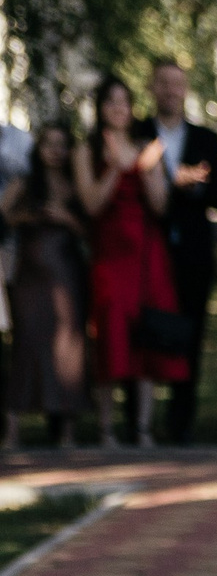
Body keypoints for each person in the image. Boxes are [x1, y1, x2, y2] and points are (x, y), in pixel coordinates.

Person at [70, 77, 186, 446]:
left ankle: (143, 428)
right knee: (109, 334)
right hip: (110, 257)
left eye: (125, 102)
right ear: (100, 108)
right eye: (111, 102)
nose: (119, 108)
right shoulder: (85, 151)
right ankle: (106, 429)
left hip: (146, 256)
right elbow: (91, 205)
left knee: (146, 335)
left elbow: (160, 206)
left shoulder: (145, 147)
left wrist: (148, 169)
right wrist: (118, 168)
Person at [144, 59, 217, 444]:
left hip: (193, 250)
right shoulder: (137, 132)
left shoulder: (206, 139)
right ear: (152, 87)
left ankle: (181, 422)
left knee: (190, 335)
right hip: (147, 246)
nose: (171, 91)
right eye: (164, 83)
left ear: (186, 89)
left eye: (178, 85)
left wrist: (191, 187)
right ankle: (139, 420)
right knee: (143, 329)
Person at [3, 125, 89, 444]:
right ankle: (12, 432)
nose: (55, 151)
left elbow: (88, 229)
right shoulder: (25, 182)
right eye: (48, 144)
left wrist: (65, 218)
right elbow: (5, 214)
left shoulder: (75, 185)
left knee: (68, 347)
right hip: (31, 277)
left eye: (62, 144)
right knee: (27, 344)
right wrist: (29, 216)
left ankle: (66, 431)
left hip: (67, 274)